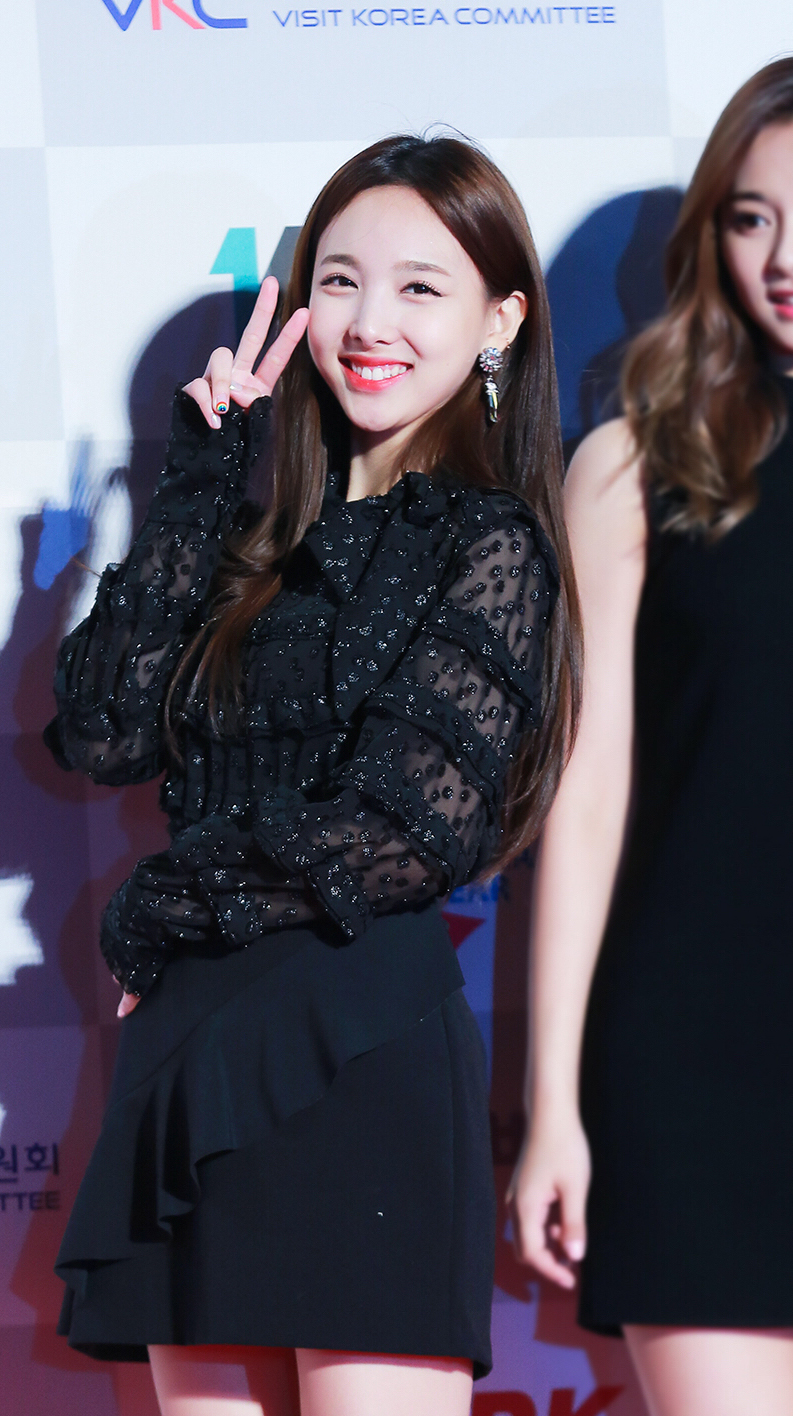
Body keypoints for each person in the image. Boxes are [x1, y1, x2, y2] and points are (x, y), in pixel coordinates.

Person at [46, 133, 578, 1416]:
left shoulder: (491, 541)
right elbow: (103, 733)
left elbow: (404, 826)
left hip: (354, 1050)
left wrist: (160, 903)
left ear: (499, 320)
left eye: (418, 287)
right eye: (338, 281)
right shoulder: (251, 535)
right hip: (187, 1050)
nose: (368, 322)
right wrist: (199, 477)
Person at [510, 59, 793, 1416]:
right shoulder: (636, 463)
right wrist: (553, 1103)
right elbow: (585, 797)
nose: (781, 260)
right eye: (750, 218)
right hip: (697, 1062)